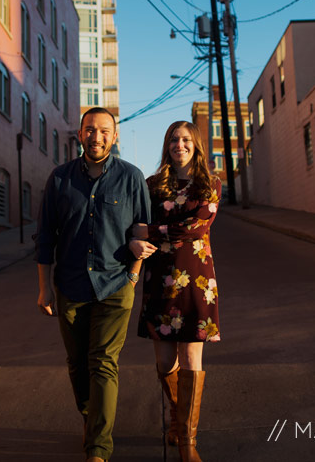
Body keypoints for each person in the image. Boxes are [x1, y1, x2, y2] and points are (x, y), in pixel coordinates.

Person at [36, 107, 154, 462]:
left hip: (116, 285)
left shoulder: (132, 178)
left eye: (104, 131)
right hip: (70, 285)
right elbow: (45, 238)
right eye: (90, 130)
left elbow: (142, 231)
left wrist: (133, 274)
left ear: (114, 136)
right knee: (77, 363)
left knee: (103, 362)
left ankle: (98, 448)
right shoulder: (59, 179)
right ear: (80, 134)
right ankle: (91, 417)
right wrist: (44, 288)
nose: (96, 136)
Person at [136, 120, 222, 462]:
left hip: (197, 280)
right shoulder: (153, 185)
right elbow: (135, 221)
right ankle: (176, 416)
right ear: (167, 145)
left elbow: (195, 227)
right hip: (159, 277)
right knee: (164, 361)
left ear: (196, 145)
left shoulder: (209, 184)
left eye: (186, 139)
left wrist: (150, 230)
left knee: (190, 358)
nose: (180, 144)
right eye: (174, 139)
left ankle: (188, 442)